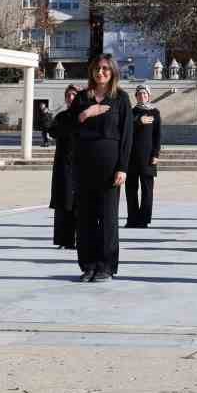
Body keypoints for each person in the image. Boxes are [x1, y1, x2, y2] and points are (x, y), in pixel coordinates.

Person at [72, 54, 134, 283]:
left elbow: (127, 136)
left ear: (113, 72)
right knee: (85, 218)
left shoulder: (121, 99)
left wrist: (123, 168)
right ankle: (88, 264)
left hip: (110, 167)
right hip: (84, 165)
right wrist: (86, 113)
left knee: (107, 217)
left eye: (106, 69)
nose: (101, 72)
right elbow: (68, 129)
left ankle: (106, 265)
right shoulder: (81, 98)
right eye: (97, 68)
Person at [125, 84, 161, 228]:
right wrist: (138, 121)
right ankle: (132, 218)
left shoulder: (155, 113)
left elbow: (157, 135)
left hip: (147, 157)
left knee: (147, 190)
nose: (142, 96)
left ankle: (144, 219)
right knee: (131, 189)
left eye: (144, 94)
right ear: (136, 97)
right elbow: (125, 130)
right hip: (131, 157)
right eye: (139, 94)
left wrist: (156, 153)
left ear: (149, 96)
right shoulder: (131, 112)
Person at [48, 84, 80, 249]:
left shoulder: (84, 116)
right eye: (68, 95)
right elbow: (53, 132)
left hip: (80, 163)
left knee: (77, 203)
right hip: (62, 164)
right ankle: (63, 239)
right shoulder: (61, 116)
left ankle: (77, 238)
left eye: (74, 95)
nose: (71, 98)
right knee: (63, 202)